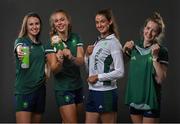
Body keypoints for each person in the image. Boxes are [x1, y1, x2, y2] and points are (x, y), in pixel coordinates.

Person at [123, 12, 168, 123]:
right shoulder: (134, 48)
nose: (149, 32)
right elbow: (118, 66)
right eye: (148, 28)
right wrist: (124, 50)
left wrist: (155, 57)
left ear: (157, 34)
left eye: (154, 31)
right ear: (144, 28)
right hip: (134, 99)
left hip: (150, 102)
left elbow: (160, 79)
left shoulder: (161, 51)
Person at [84, 9, 124, 123]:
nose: (99, 25)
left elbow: (120, 71)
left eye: (102, 21)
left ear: (109, 22)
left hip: (106, 92)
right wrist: (87, 56)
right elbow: (90, 70)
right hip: (92, 91)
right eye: (97, 22)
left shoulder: (114, 43)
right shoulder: (97, 41)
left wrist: (98, 77)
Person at [45, 9, 84, 123]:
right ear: (54, 25)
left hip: (78, 86)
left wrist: (71, 57)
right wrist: (61, 59)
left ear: (68, 22)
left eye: (62, 19)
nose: (60, 23)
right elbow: (54, 70)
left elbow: (81, 61)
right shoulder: (51, 43)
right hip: (63, 89)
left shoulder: (76, 37)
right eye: (56, 21)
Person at [14, 12, 46, 123]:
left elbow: (45, 64)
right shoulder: (22, 41)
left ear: (40, 25)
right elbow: (18, 47)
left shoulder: (42, 46)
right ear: (26, 27)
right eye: (31, 24)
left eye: (37, 23)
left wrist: (46, 74)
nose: (34, 27)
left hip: (40, 91)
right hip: (25, 91)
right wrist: (19, 51)